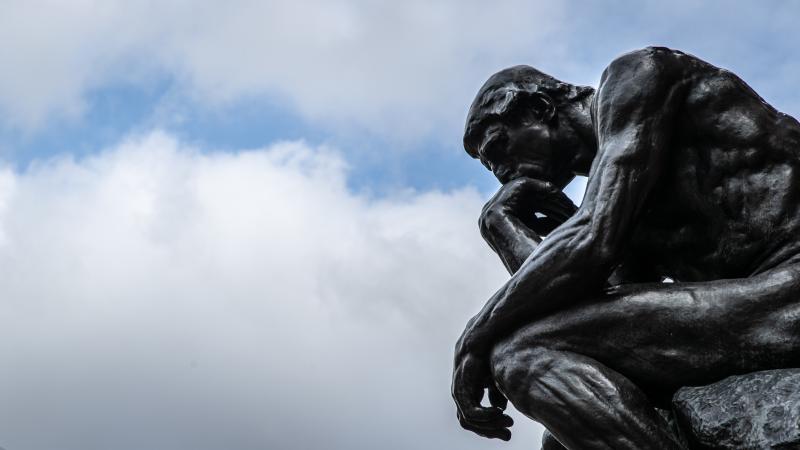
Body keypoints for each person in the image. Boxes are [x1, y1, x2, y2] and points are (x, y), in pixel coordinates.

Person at [452, 46, 800, 449]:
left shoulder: (641, 76)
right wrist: (501, 225)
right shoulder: (622, 203)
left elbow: (590, 242)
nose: (499, 173)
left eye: (497, 147)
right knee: (569, 413)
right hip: (768, 304)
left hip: (790, 282)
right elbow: (580, 303)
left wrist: (475, 337)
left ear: (539, 108)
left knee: (523, 355)